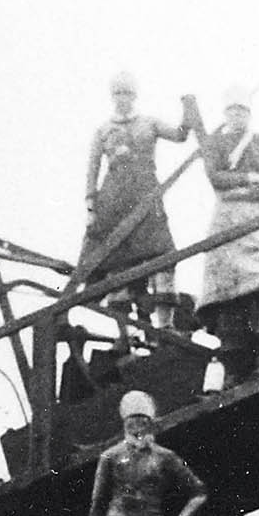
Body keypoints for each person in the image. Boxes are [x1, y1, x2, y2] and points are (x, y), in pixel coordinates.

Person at [190, 85, 259, 384]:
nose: (237, 115)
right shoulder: (215, 144)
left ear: (249, 113)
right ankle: (234, 365)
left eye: (242, 110)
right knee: (228, 289)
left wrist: (240, 191)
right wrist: (248, 179)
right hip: (228, 221)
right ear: (225, 113)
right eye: (232, 110)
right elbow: (216, 179)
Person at [82, 72, 194, 338]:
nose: (123, 99)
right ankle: (126, 333)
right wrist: (90, 204)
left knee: (162, 256)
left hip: (146, 195)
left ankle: (164, 327)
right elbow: (93, 169)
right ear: (113, 97)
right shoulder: (103, 131)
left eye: (128, 94)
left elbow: (180, 135)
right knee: (119, 266)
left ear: (135, 96)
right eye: (118, 94)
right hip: (114, 201)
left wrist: (188, 114)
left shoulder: (149, 123)